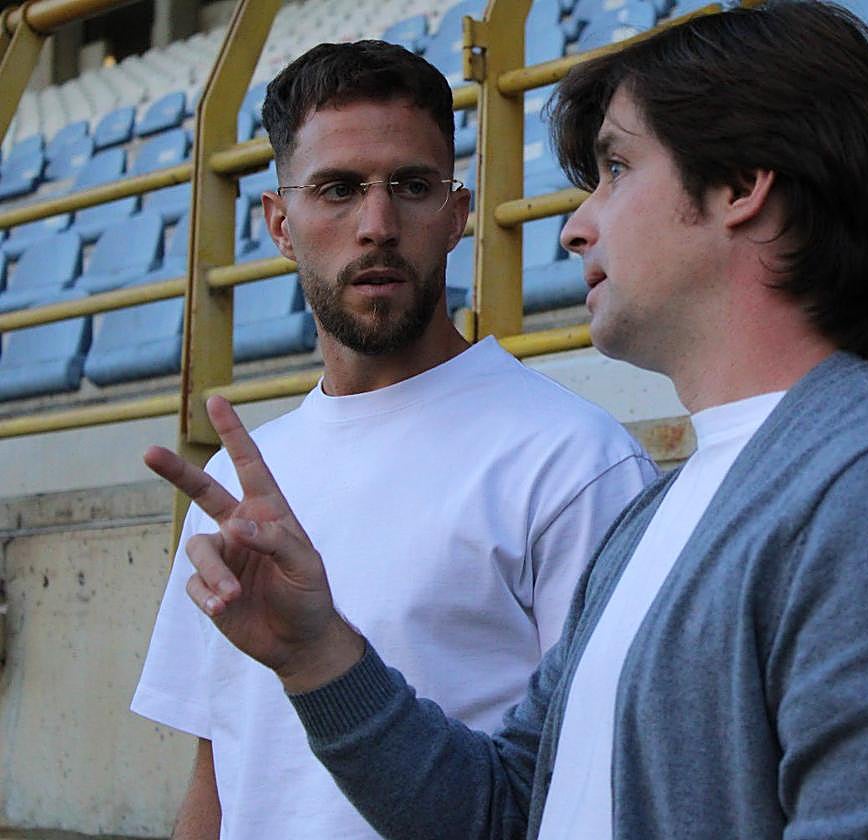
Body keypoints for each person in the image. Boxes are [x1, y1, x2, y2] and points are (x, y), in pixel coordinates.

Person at [144, 3, 868, 838]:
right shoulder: (663, 514)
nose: (576, 227)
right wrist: (317, 657)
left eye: (617, 168)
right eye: (337, 191)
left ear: (741, 182)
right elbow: (509, 814)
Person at [131, 41, 657, 840]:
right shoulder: (238, 484)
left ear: (457, 214)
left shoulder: (573, 462)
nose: (377, 227)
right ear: (279, 222)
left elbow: (606, 788)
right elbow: (222, 775)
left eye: (411, 187)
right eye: (338, 190)